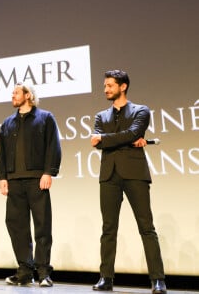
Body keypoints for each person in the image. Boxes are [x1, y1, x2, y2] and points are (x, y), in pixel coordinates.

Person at [90, 70, 166, 294]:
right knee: (108, 228)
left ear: (123, 87)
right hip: (109, 175)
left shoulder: (141, 110)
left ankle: (158, 280)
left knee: (146, 227)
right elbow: (97, 142)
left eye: (110, 85)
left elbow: (133, 133)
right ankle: (106, 278)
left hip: (135, 173)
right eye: (105, 86)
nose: (106, 89)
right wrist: (122, 139)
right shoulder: (100, 116)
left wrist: (106, 139)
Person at [0, 82, 61, 287]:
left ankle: (43, 272)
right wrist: (3, 178)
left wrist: (49, 172)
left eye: (16, 93)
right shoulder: (8, 123)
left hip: (36, 180)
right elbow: (3, 153)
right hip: (14, 181)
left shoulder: (45, 118)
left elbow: (53, 146)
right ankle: (24, 271)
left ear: (28, 95)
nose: (12, 96)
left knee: (42, 226)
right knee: (16, 226)